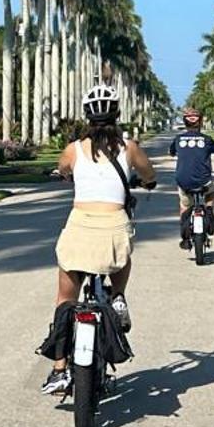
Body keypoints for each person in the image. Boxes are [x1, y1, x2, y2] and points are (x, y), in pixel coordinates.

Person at [43, 82, 155, 398]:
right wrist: (149, 181)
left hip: (80, 226)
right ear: (117, 114)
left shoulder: (73, 149)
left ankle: (59, 369)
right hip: (113, 224)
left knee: (65, 300)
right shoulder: (129, 147)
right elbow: (148, 173)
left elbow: (63, 170)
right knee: (122, 252)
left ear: (87, 117)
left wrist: (65, 173)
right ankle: (118, 295)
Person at [170, 107, 214, 248]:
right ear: (200, 122)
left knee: (184, 205)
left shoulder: (178, 139)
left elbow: (172, 152)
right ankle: (209, 210)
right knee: (210, 195)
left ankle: (185, 237)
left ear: (185, 123)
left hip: (183, 181)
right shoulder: (206, 140)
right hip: (204, 181)